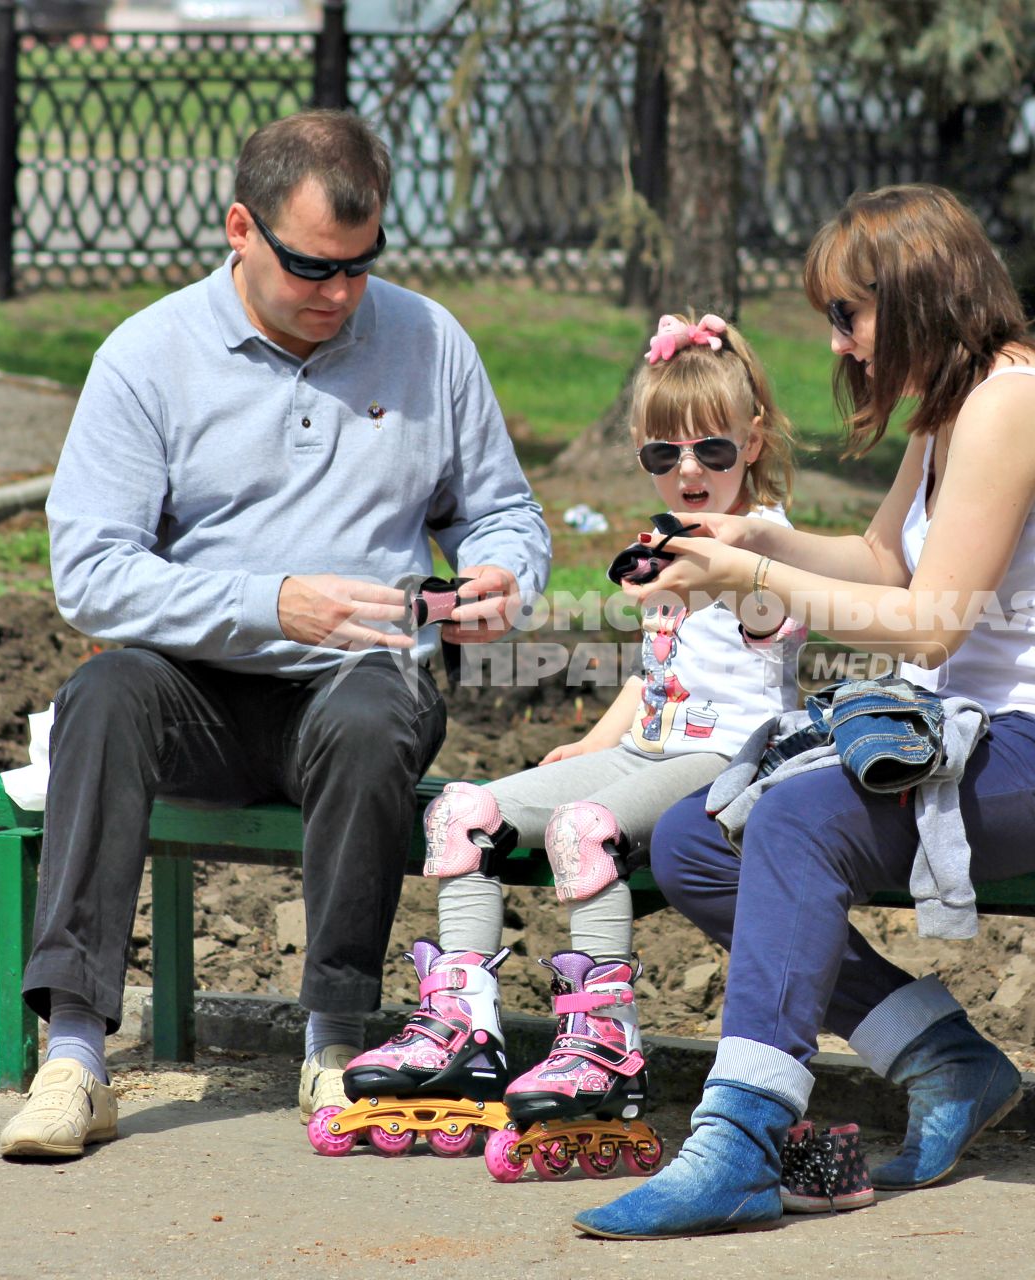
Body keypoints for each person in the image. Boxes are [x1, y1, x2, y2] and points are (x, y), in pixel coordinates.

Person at [575, 184, 1035, 1237]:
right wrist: (751, 542)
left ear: (917, 295)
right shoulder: (955, 412)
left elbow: (929, 623)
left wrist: (735, 580)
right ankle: (944, 1059)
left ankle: (740, 1141)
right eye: (835, 319)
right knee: (692, 840)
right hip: (1002, 741)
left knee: (799, 818)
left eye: (849, 313)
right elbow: (875, 555)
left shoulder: (1012, 407)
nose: (844, 344)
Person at [0, 110, 550, 1159]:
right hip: (192, 693)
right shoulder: (146, 357)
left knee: (376, 708)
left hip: (358, 690)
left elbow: (504, 513)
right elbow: (92, 575)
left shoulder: (429, 342)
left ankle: (335, 1041)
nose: (340, 294)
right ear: (239, 228)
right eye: (310, 267)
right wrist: (271, 601)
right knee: (102, 692)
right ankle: (73, 1055)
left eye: (360, 265)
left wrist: (505, 572)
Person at [317, 313, 806, 1171]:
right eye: (665, 454)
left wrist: (750, 569)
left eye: (713, 452)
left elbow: (772, 635)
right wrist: (592, 742)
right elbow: (651, 671)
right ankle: (462, 1029)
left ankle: (605, 1043)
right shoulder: (662, 540)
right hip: (648, 748)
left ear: (755, 441)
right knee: (462, 812)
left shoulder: (771, 544)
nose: (689, 471)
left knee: (585, 828)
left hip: (724, 755)